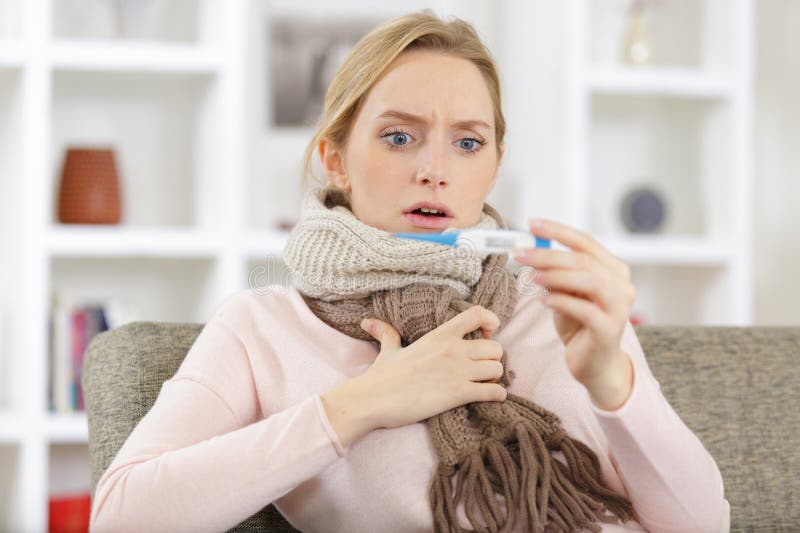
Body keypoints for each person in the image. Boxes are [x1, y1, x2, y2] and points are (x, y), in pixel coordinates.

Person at [89, 10, 730, 533]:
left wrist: (614, 381)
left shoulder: (556, 305)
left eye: (468, 142)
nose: (435, 169)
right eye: (400, 137)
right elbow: (123, 516)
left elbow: (704, 525)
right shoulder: (262, 328)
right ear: (334, 159)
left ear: (495, 165)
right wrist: (362, 404)